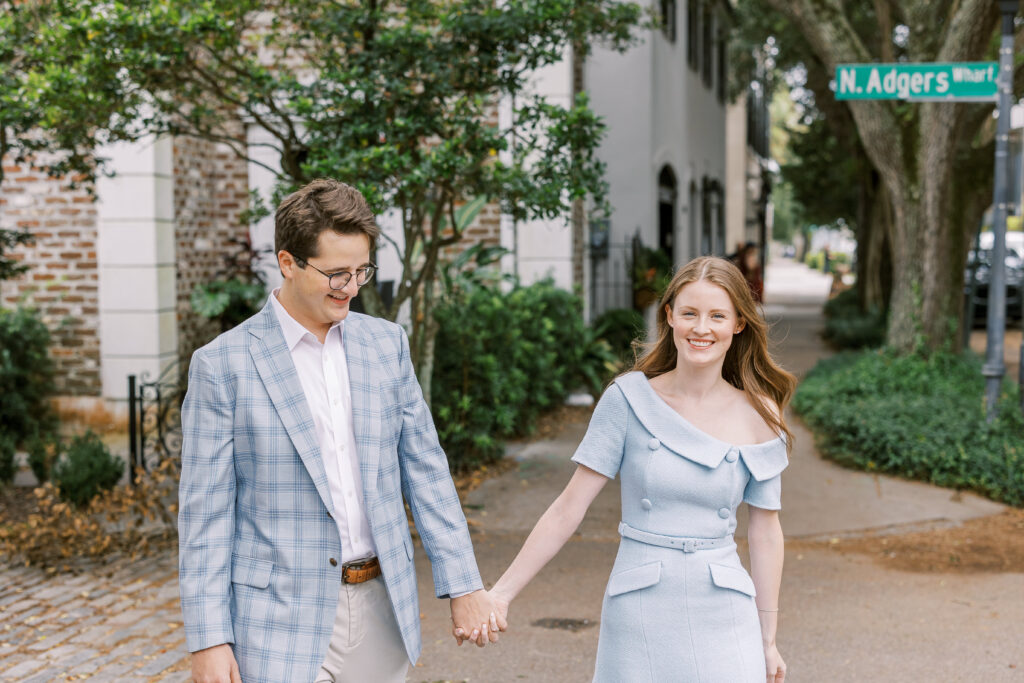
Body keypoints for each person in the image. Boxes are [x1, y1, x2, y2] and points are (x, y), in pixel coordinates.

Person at [178, 179, 503, 683]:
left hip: (380, 608)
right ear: (288, 263)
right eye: (336, 273)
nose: (351, 287)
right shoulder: (222, 365)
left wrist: (464, 585)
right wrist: (209, 639)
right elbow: (205, 517)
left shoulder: (386, 344)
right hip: (275, 620)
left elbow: (426, 470)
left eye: (361, 271)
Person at [487, 256, 796, 682]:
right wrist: (500, 594)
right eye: (689, 313)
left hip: (725, 608)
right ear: (669, 317)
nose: (701, 328)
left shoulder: (761, 414)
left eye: (717, 316)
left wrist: (768, 639)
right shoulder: (627, 400)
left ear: (739, 324)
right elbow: (568, 509)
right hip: (642, 602)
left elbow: (765, 532)